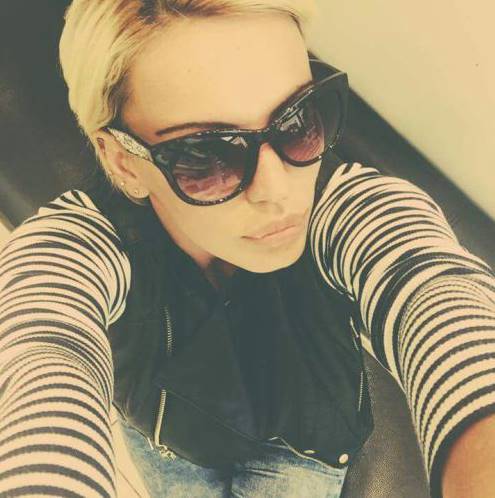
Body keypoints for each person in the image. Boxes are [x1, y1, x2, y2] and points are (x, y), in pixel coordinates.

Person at [0, 0, 495, 497]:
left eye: (298, 121)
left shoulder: (348, 207)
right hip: (170, 444)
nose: (278, 191)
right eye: (204, 153)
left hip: (303, 447)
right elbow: (39, 345)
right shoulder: (82, 245)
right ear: (122, 161)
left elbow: (431, 285)